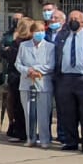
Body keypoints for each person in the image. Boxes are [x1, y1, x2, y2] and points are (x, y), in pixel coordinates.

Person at [52, 10, 83, 151]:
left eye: (76, 18)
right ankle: (71, 141)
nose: (73, 21)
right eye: (71, 18)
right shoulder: (61, 36)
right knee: (68, 113)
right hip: (65, 78)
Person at [16, 18, 55, 148]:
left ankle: (44, 139)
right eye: (37, 31)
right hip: (26, 82)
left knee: (43, 113)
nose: (40, 33)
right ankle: (30, 137)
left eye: (42, 30)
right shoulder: (24, 46)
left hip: (43, 82)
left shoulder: (50, 47)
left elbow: (50, 65)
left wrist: (37, 70)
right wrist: (28, 70)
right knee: (28, 113)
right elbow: (18, 63)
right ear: (32, 32)